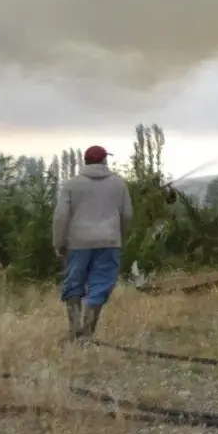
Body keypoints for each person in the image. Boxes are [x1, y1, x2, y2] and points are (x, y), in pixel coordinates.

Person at [52, 145, 133, 340]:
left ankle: (74, 329)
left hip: (77, 242)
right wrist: (119, 235)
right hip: (109, 241)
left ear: (85, 161)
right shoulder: (118, 184)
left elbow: (61, 216)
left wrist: (59, 242)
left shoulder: (71, 184)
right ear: (105, 160)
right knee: (101, 284)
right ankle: (87, 333)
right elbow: (127, 215)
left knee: (73, 283)